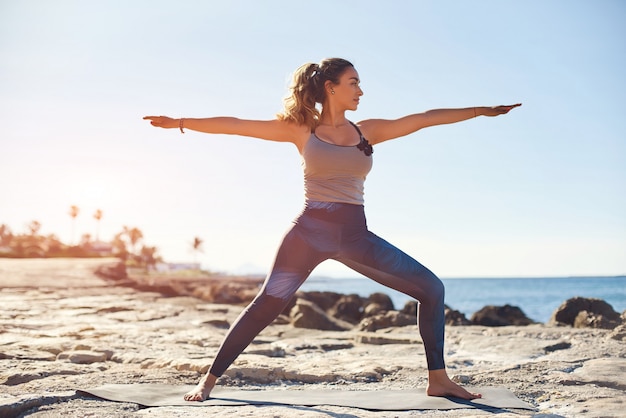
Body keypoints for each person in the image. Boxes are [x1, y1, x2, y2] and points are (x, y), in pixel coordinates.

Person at [144, 57, 521, 402]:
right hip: (308, 233)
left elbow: (423, 118)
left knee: (431, 288)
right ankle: (207, 381)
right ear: (330, 87)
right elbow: (237, 126)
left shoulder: (367, 131)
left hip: (354, 236)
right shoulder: (300, 130)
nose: (360, 90)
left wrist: (480, 112)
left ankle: (437, 379)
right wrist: (180, 122)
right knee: (266, 305)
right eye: (353, 82)